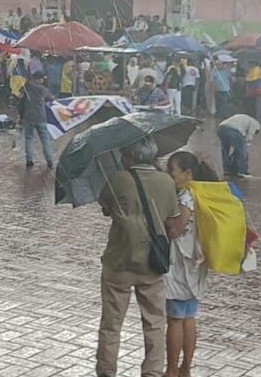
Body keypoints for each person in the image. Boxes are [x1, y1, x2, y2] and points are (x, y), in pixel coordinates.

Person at [96, 139, 180, 377]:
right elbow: (172, 222)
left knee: (111, 323)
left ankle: (106, 370)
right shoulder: (166, 181)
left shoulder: (117, 179)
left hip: (118, 261)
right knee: (154, 322)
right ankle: (152, 372)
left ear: (130, 157)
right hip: (152, 262)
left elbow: (105, 208)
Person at [163, 152, 221, 377]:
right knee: (188, 317)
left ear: (187, 174)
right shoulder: (202, 193)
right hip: (197, 262)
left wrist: (165, 220)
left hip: (181, 264)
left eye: (173, 170)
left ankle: (171, 370)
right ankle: (185, 367)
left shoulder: (186, 197)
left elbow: (176, 229)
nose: (170, 175)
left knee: (175, 319)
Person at [17, 72, 55, 169]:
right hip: (41, 117)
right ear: (38, 79)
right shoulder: (43, 89)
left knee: (29, 139)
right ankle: (49, 160)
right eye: (42, 78)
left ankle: (29, 160)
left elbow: (19, 98)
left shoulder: (26, 87)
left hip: (28, 117)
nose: (43, 80)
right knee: (45, 139)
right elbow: (51, 98)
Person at [218, 112, 260, 179]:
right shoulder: (256, 124)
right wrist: (247, 143)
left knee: (225, 150)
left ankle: (227, 170)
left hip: (221, 128)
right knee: (241, 151)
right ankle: (241, 171)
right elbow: (250, 135)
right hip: (233, 130)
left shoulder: (244, 118)